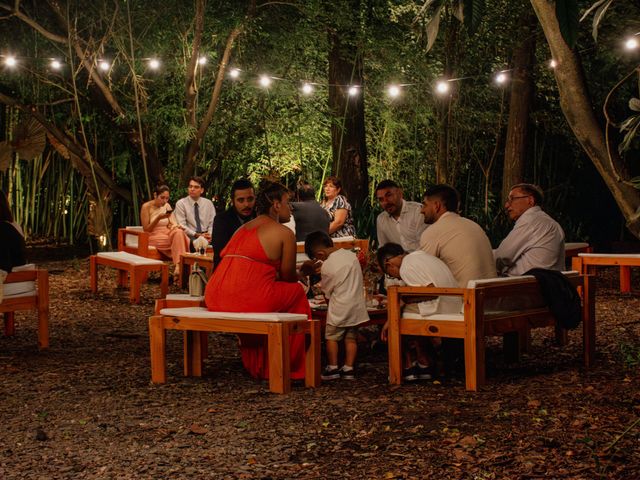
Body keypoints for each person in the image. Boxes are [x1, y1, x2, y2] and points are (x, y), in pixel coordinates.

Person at [204, 181, 309, 380]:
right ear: (276, 205)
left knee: (276, 295)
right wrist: (303, 273)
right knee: (295, 292)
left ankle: (258, 361)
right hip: (246, 296)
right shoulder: (284, 233)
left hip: (215, 294)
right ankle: (289, 364)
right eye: (288, 202)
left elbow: (252, 268)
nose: (291, 207)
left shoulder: (242, 229)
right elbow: (287, 278)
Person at [377, 242, 461, 381]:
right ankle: (423, 362)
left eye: (390, 275)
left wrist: (390, 319)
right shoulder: (423, 257)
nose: (396, 278)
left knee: (396, 317)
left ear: (388, 264)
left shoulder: (406, 267)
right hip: (454, 303)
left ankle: (407, 365)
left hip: (441, 306)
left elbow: (431, 292)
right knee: (400, 309)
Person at [303, 231, 369, 380]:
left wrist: (323, 289)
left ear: (320, 254)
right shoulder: (351, 256)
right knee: (351, 337)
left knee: (331, 337)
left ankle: (333, 367)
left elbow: (327, 289)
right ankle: (349, 368)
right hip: (356, 305)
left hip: (340, 306)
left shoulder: (328, 265)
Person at [419, 184, 496, 287]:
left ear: (436, 206)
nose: (421, 210)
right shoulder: (473, 225)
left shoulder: (433, 231)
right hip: (491, 297)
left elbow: (422, 274)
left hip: (466, 299)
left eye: (424, 205)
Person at [494, 183, 565, 276]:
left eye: (512, 198)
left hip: (522, 286)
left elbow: (502, 256)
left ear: (530, 200)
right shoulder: (553, 224)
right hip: (549, 284)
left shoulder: (530, 220)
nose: (507, 205)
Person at [140, 185, 190, 279]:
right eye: (162, 198)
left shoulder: (167, 206)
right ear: (155, 195)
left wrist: (176, 226)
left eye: (167, 198)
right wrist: (158, 218)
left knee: (179, 233)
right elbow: (146, 229)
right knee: (181, 240)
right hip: (153, 235)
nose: (165, 201)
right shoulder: (146, 207)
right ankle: (180, 267)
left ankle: (178, 266)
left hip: (167, 233)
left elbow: (172, 222)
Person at [212, 179, 256, 269]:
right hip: (227, 271)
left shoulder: (260, 218)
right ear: (232, 201)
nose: (246, 204)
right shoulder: (222, 220)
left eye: (250, 199)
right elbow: (222, 253)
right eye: (241, 200)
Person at [375, 179, 428, 251]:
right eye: (381, 199)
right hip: (398, 261)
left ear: (400, 193)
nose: (385, 202)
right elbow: (384, 248)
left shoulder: (418, 211)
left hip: (422, 260)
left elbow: (426, 246)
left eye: (389, 195)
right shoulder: (381, 219)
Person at [174, 176, 216, 249]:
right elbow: (181, 225)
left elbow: (212, 223)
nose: (192, 189)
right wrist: (197, 235)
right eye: (190, 186)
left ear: (202, 190)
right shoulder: (181, 203)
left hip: (207, 236)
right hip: (190, 237)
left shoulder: (208, 203)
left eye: (196, 187)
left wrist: (209, 235)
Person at [0, 190, 26, 273]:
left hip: (7, 280)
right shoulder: (14, 225)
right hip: (17, 280)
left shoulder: (3, 228)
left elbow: (4, 265)